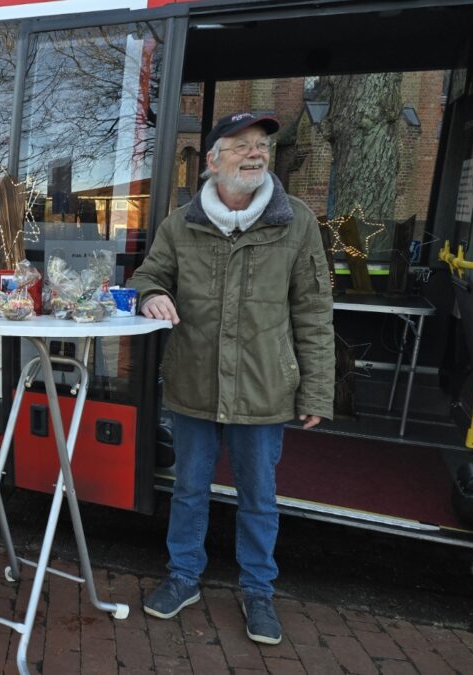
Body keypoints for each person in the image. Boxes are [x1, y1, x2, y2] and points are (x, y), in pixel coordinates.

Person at [127, 112, 334, 645]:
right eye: (240, 145)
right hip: (194, 382)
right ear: (213, 161)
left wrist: (316, 390)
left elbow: (314, 310)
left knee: (259, 498)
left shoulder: (297, 222)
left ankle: (259, 592)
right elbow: (149, 274)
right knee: (190, 491)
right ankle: (182, 578)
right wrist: (152, 294)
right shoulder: (181, 224)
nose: (255, 153)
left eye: (261, 144)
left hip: (265, 389)